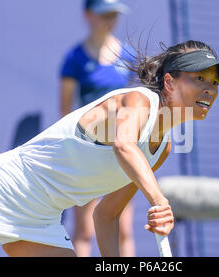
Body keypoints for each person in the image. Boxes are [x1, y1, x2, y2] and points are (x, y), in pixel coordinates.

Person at [0, 40, 219, 257]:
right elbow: (124, 145)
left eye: (214, 83)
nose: (209, 89)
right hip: (5, 189)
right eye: (199, 79)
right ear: (169, 82)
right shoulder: (139, 101)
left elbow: (106, 215)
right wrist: (159, 200)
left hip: (42, 218)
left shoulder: (161, 149)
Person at [59, 0, 135, 257]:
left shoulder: (129, 56)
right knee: (84, 230)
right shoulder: (75, 59)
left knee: (122, 227)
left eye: (114, 15)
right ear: (88, 16)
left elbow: (139, 104)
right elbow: (65, 110)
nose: (110, 20)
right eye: (105, 14)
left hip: (122, 150)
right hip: (88, 151)